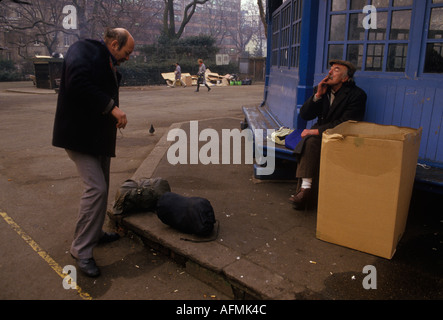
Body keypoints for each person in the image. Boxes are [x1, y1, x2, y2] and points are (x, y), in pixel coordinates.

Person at [52, 27, 135, 277]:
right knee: (96, 189)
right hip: (79, 138)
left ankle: (95, 233)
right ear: (113, 43)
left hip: (98, 139)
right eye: (126, 52)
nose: (128, 57)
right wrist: (112, 107)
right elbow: (76, 82)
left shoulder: (107, 60)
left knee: (103, 188)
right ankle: (81, 250)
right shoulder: (83, 49)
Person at [289, 60, 367, 210]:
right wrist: (317, 95)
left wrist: (315, 131)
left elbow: (346, 123)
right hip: (322, 133)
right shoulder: (322, 90)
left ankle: (305, 190)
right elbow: (305, 115)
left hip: (342, 134)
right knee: (310, 141)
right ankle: (305, 190)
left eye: (336, 70)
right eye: (330, 69)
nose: (330, 72)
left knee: (310, 140)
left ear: (345, 78)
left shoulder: (357, 95)